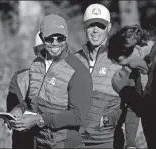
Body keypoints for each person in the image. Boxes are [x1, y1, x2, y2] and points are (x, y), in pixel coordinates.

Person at [9, 14, 93, 149]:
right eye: (49, 39)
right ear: (42, 38)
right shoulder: (36, 65)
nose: (55, 43)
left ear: (66, 37)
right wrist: (20, 109)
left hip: (65, 144)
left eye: (60, 38)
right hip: (39, 143)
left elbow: (78, 116)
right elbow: (32, 101)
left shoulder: (78, 71)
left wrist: (38, 119)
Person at [74, 4, 147, 148]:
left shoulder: (121, 59)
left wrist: (131, 143)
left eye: (100, 26)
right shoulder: (74, 60)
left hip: (109, 143)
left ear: (108, 27)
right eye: (91, 25)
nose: (95, 30)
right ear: (84, 27)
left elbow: (131, 108)